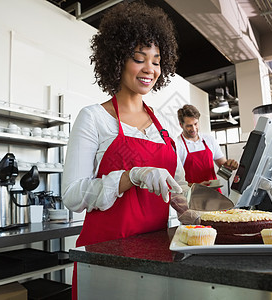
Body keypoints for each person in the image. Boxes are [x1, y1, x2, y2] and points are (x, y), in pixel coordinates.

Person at [61, 2, 189, 298]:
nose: (150, 69)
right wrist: (130, 177)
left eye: (156, 61)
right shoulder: (93, 117)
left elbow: (177, 183)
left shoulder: (164, 124)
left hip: (156, 252)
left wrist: (188, 210)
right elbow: (72, 195)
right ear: (117, 60)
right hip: (107, 257)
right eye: (139, 58)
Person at [176, 104, 238, 189]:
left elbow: (223, 165)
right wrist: (196, 186)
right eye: (189, 125)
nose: (194, 129)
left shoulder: (209, 140)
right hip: (192, 197)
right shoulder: (177, 145)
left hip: (214, 194)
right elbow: (176, 181)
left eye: (196, 124)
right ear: (181, 125)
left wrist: (230, 165)